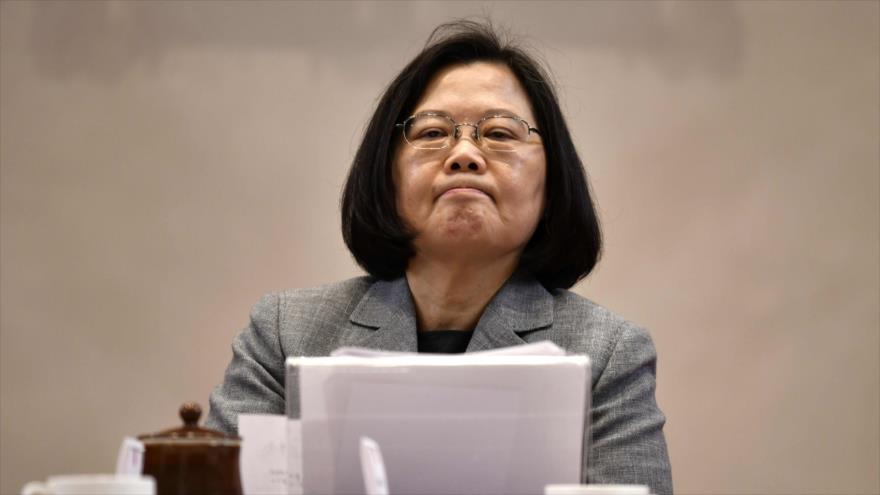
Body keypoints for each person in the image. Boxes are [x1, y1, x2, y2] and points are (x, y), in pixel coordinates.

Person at [206, 20, 672, 495]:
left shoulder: (609, 355)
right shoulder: (285, 335)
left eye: (500, 133)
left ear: (551, 185)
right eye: (432, 133)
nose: (464, 154)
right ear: (385, 175)